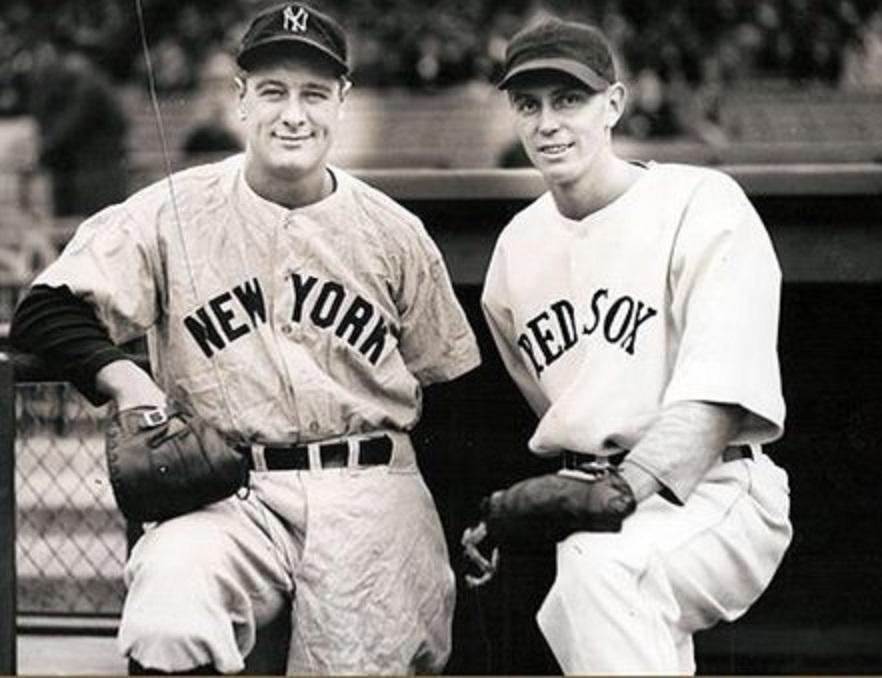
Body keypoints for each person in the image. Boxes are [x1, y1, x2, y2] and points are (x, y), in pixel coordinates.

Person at [10, 3, 480, 674]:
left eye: (314, 94)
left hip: (371, 492)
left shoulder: (394, 232)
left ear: (342, 100)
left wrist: (455, 523)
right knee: (170, 606)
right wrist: (130, 380)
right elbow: (45, 310)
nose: (294, 114)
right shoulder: (172, 210)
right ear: (241, 98)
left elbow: (453, 388)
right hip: (231, 495)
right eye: (273, 92)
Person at [462, 17, 792, 675]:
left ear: (613, 103)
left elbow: (715, 405)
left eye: (569, 99)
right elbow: (568, 418)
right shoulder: (514, 253)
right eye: (529, 104)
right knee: (613, 602)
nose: (548, 122)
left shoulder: (701, 203)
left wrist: (614, 494)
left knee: (599, 575)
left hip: (719, 487)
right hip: (607, 502)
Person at [30, 33, 128, 216]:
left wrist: (43, 152)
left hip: (99, 169)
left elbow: (70, 125)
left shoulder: (90, 87)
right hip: (100, 166)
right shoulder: (97, 83)